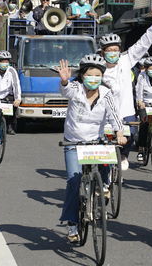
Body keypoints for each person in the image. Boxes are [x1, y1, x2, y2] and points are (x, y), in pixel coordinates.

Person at [57, 54, 126, 242]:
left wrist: (119, 132)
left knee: (108, 156)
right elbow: (66, 91)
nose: (93, 79)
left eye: (97, 75)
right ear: (82, 75)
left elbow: (114, 115)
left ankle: (104, 185)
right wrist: (64, 81)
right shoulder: (75, 89)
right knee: (73, 181)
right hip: (73, 143)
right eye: (90, 74)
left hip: (95, 141)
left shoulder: (106, 93)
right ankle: (72, 225)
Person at [99, 7, 152, 170]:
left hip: (126, 111)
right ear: (102, 52)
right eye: (109, 50)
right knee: (103, 144)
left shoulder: (126, 59)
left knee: (131, 135)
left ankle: (124, 154)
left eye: (115, 49)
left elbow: (142, 44)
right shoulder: (96, 67)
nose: (113, 53)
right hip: (104, 113)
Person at [0, 51, 21, 134]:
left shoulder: (12, 71)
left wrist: (18, 98)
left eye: (7, 61)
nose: (5, 63)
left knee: (14, 106)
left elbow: (16, 85)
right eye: (3, 61)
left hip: (7, 94)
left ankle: (9, 126)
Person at [135, 56, 152, 162]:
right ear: (146, 69)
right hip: (145, 104)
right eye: (150, 68)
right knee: (144, 123)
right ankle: (141, 149)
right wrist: (140, 102)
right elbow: (139, 91)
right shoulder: (142, 76)